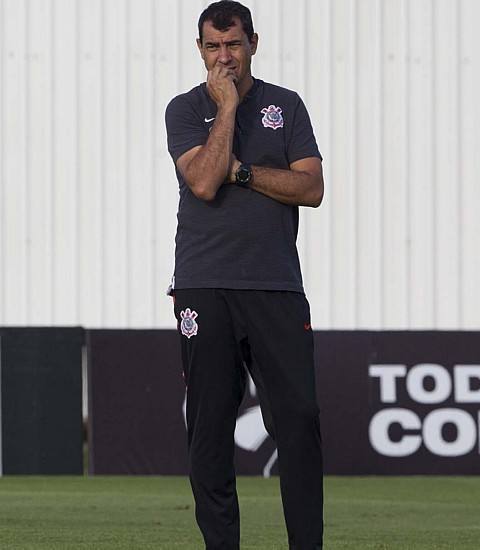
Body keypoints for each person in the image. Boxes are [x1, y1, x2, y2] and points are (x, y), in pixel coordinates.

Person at [164, 1, 324, 548]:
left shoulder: (287, 106)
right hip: (204, 284)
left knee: (298, 421)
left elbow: (311, 189)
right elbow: (204, 183)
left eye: (233, 45)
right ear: (200, 49)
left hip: (276, 285)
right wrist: (226, 110)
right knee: (209, 431)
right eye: (213, 47)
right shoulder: (184, 109)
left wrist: (243, 171)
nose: (224, 57)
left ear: (253, 42)